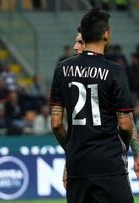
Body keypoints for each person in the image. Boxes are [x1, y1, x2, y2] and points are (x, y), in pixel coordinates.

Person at [50, 8, 139, 203]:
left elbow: (56, 124)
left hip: (77, 167)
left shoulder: (61, 70)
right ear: (106, 35)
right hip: (109, 165)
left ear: (85, 36)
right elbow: (125, 124)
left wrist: (71, 150)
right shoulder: (115, 72)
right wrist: (125, 149)